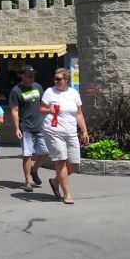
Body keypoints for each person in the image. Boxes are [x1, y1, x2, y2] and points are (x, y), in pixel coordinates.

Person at [40, 67, 89, 205]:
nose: (56, 81)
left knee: (74, 162)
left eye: (59, 79)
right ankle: (67, 194)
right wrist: (48, 110)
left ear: (66, 80)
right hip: (53, 131)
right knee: (61, 160)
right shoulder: (50, 92)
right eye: (54, 79)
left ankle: (55, 181)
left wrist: (84, 131)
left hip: (71, 131)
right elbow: (41, 109)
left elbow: (79, 113)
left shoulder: (74, 93)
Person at [11, 65, 48, 192]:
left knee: (45, 152)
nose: (32, 78)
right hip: (26, 126)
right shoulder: (16, 90)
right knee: (27, 154)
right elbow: (15, 110)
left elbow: (42, 105)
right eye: (29, 76)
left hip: (39, 125)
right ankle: (27, 181)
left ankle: (34, 170)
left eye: (33, 76)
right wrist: (17, 128)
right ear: (23, 76)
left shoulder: (38, 87)